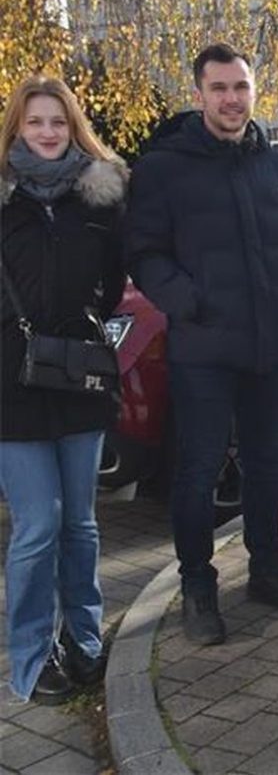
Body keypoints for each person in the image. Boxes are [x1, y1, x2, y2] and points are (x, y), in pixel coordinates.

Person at [127, 43, 278, 643]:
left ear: (253, 92)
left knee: (267, 466)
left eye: (240, 87)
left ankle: (267, 572)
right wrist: (191, 303)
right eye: (219, 88)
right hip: (205, 349)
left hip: (273, 344)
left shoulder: (275, 165)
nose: (231, 99)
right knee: (198, 471)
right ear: (199, 93)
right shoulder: (164, 167)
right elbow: (145, 254)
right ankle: (198, 589)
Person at [1, 77, 127, 702]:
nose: (47, 132)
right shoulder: (3, 202)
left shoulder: (99, 200)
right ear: (16, 130)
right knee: (37, 525)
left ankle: (85, 639)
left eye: (56, 122)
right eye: (34, 123)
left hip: (79, 379)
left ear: (72, 127)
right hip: (10, 388)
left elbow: (108, 288)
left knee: (79, 523)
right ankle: (29, 660)